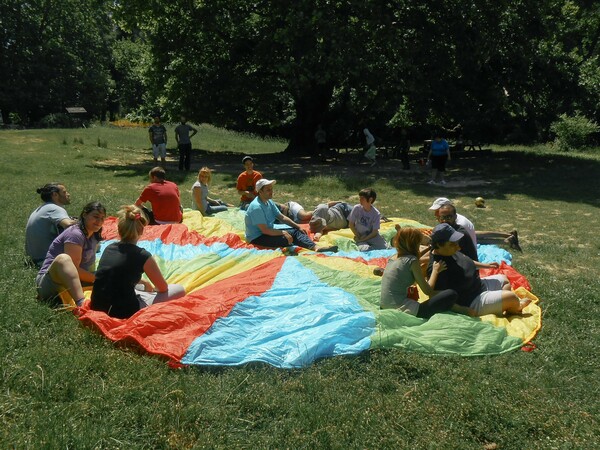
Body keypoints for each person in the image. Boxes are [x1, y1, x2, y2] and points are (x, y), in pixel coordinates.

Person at [90, 205, 185, 319]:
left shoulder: (109, 248)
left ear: (119, 229)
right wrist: (154, 290)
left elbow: (116, 273)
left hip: (97, 305)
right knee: (179, 290)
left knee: (138, 287)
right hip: (122, 312)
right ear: (141, 230)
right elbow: (163, 288)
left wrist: (143, 281)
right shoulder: (142, 255)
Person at [428, 223, 530, 316]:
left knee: (504, 279)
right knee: (511, 297)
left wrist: (486, 265)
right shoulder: (438, 266)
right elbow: (437, 295)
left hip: (478, 285)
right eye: (452, 244)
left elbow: (467, 261)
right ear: (438, 245)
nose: (458, 247)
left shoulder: (449, 251)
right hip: (471, 301)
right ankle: (516, 306)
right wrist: (461, 309)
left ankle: (506, 307)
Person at [35, 201, 106, 307]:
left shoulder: (94, 235)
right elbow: (74, 269)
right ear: (85, 215)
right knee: (64, 259)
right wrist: (97, 279)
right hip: (52, 283)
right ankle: (81, 304)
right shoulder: (75, 234)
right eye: (95, 216)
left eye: (102, 218)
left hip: (78, 281)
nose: (99, 221)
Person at [380, 227, 458, 318]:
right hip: (402, 310)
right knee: (451, 294)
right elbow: (427, 291)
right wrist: (435, 270)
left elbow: (415, 257)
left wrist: (428, 248)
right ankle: (459, 308)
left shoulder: (393, 258)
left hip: (384, 307)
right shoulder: (412, 261)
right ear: (415, 243)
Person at [245, 179, 337, 252]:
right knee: (289, 237)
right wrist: (283, 233)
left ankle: (315, 247)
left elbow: (282, 217)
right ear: (260, 192)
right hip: (257, 238)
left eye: (271, 189)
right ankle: (314, 247)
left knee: (296, 231)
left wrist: (297, 226)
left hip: (267, 232)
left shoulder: (268, 202)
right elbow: (265, 230)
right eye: (268, 190)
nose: (271, 192)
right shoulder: (256, 207)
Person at [429, 197, 522, 251]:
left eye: (437, 210)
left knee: (477, 239)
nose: (435, 213)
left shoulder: (457, 223)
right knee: (476, 235)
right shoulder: (453, 216)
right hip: (469, 235)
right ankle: (507, 236)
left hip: (467, 246)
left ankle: (507, 240)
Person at [25, 182, 77, 267]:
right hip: (47, 260)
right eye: (64, 192)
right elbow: (69, 225)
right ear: (55, 195)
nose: (68, 194)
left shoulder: (44, 208)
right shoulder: (55, 209)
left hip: (35, 258)